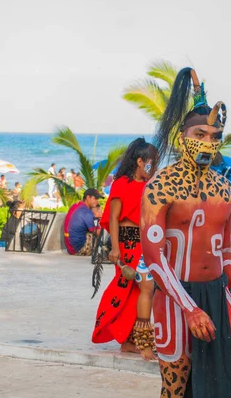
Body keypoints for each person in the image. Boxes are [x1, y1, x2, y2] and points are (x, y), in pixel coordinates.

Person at [140, 67, 231, 397]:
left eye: (215, 136)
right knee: (177, 388)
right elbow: (153, 257)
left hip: (218, 295)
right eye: (200, 135)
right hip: (173, 299)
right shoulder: (161, 185)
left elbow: (225, 253)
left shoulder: (224, 188)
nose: (208, 143)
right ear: (182, 138)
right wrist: (188, 307)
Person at [92, 137, 159, 361]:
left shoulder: (150, 186)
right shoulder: (121, 183)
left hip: (144, 243)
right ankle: (142, 342)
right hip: (126, 245)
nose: (155, 168)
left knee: (138, 292)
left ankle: (130, 341)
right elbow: (113, 217)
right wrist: (115, 248)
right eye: (152, 163)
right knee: (140, 288)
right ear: (140, 161)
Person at [63, 188, 102, 256]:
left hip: (70, 248)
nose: (97, 201)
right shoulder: (86, 212)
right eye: (95, 198)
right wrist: (96, 218)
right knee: (105, 237)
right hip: (78, 249)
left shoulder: (75, 206)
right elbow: (99, 232)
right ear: (87, 197)